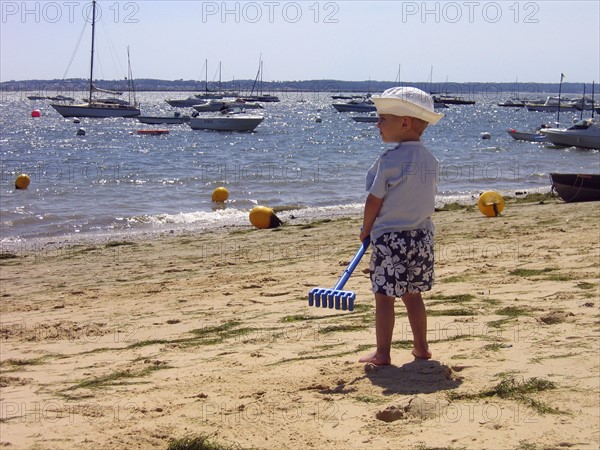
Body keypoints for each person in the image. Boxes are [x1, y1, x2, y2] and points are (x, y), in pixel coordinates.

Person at [358, 87, 444, 366]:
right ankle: (421, 347)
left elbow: (374, 200)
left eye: (383, 119)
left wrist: (366, 228)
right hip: (421, 238)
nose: (377, 124)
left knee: (384, 298)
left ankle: (382, 353)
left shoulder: (389, 161)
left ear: (405, 122)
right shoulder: (431, 161)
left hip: (390, 239)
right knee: (413, 295)